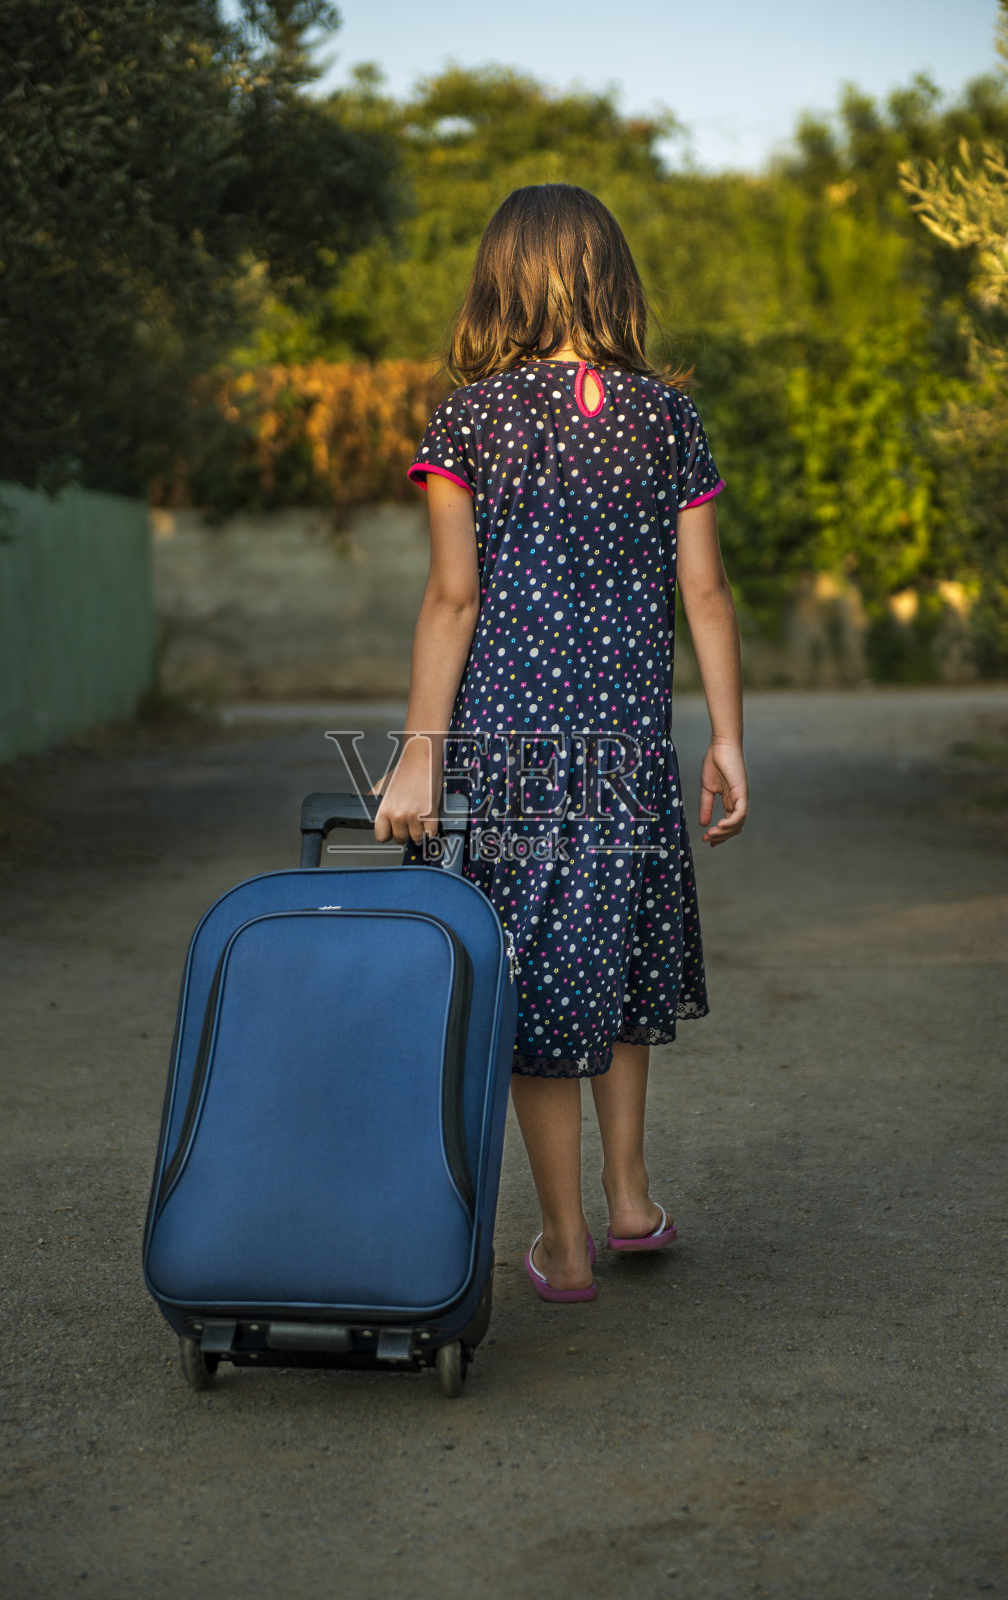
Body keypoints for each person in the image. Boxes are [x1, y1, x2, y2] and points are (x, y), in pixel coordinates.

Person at [372, 183, 747, 1302]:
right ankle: (631, 1201)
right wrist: (727, 738)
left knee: (532, 981)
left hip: (511, 749)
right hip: (630, 746)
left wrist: (420, 750)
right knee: (618, 961)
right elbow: (705, 591)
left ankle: (565, 1240)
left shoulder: (468, 420)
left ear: (498, 282)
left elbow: (453, 598)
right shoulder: (666, 417)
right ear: (613, 280)